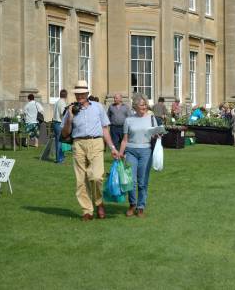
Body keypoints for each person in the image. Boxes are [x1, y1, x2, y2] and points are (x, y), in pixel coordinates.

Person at [61, 80, 118, 221]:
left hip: (96, 142)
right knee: (81, 180)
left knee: (96, 176)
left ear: (87, 93)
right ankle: (87, 210)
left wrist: (112, 147)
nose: (79, 96)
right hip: (78, 143)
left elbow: (105, 128)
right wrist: (69, 118)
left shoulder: (98, 107)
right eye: (77, 94)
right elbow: (64, 134)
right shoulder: (70, 110)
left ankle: (99, 203)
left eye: (82, 93)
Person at [119, 94, 158, 217]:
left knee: (142, 182)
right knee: (131, 181)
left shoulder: (152, 118)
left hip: (146, 151)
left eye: (145, 104)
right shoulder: (128, 120)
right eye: (142, 105)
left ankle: (141, 207)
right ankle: (132, 204)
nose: (144, 107)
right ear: (135, 106)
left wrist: (158, 135)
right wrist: (120, 153)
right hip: (131, 151)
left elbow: (156, 134)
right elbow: (125, 139)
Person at [52, 89, 68, 163]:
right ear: (66, 95)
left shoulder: (57, 102)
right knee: (60, 142)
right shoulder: (62, 103)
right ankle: (60, 159)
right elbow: (63, 113)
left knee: (57, 142)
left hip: (55, 122)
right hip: (59, 123)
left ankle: (58, 158)